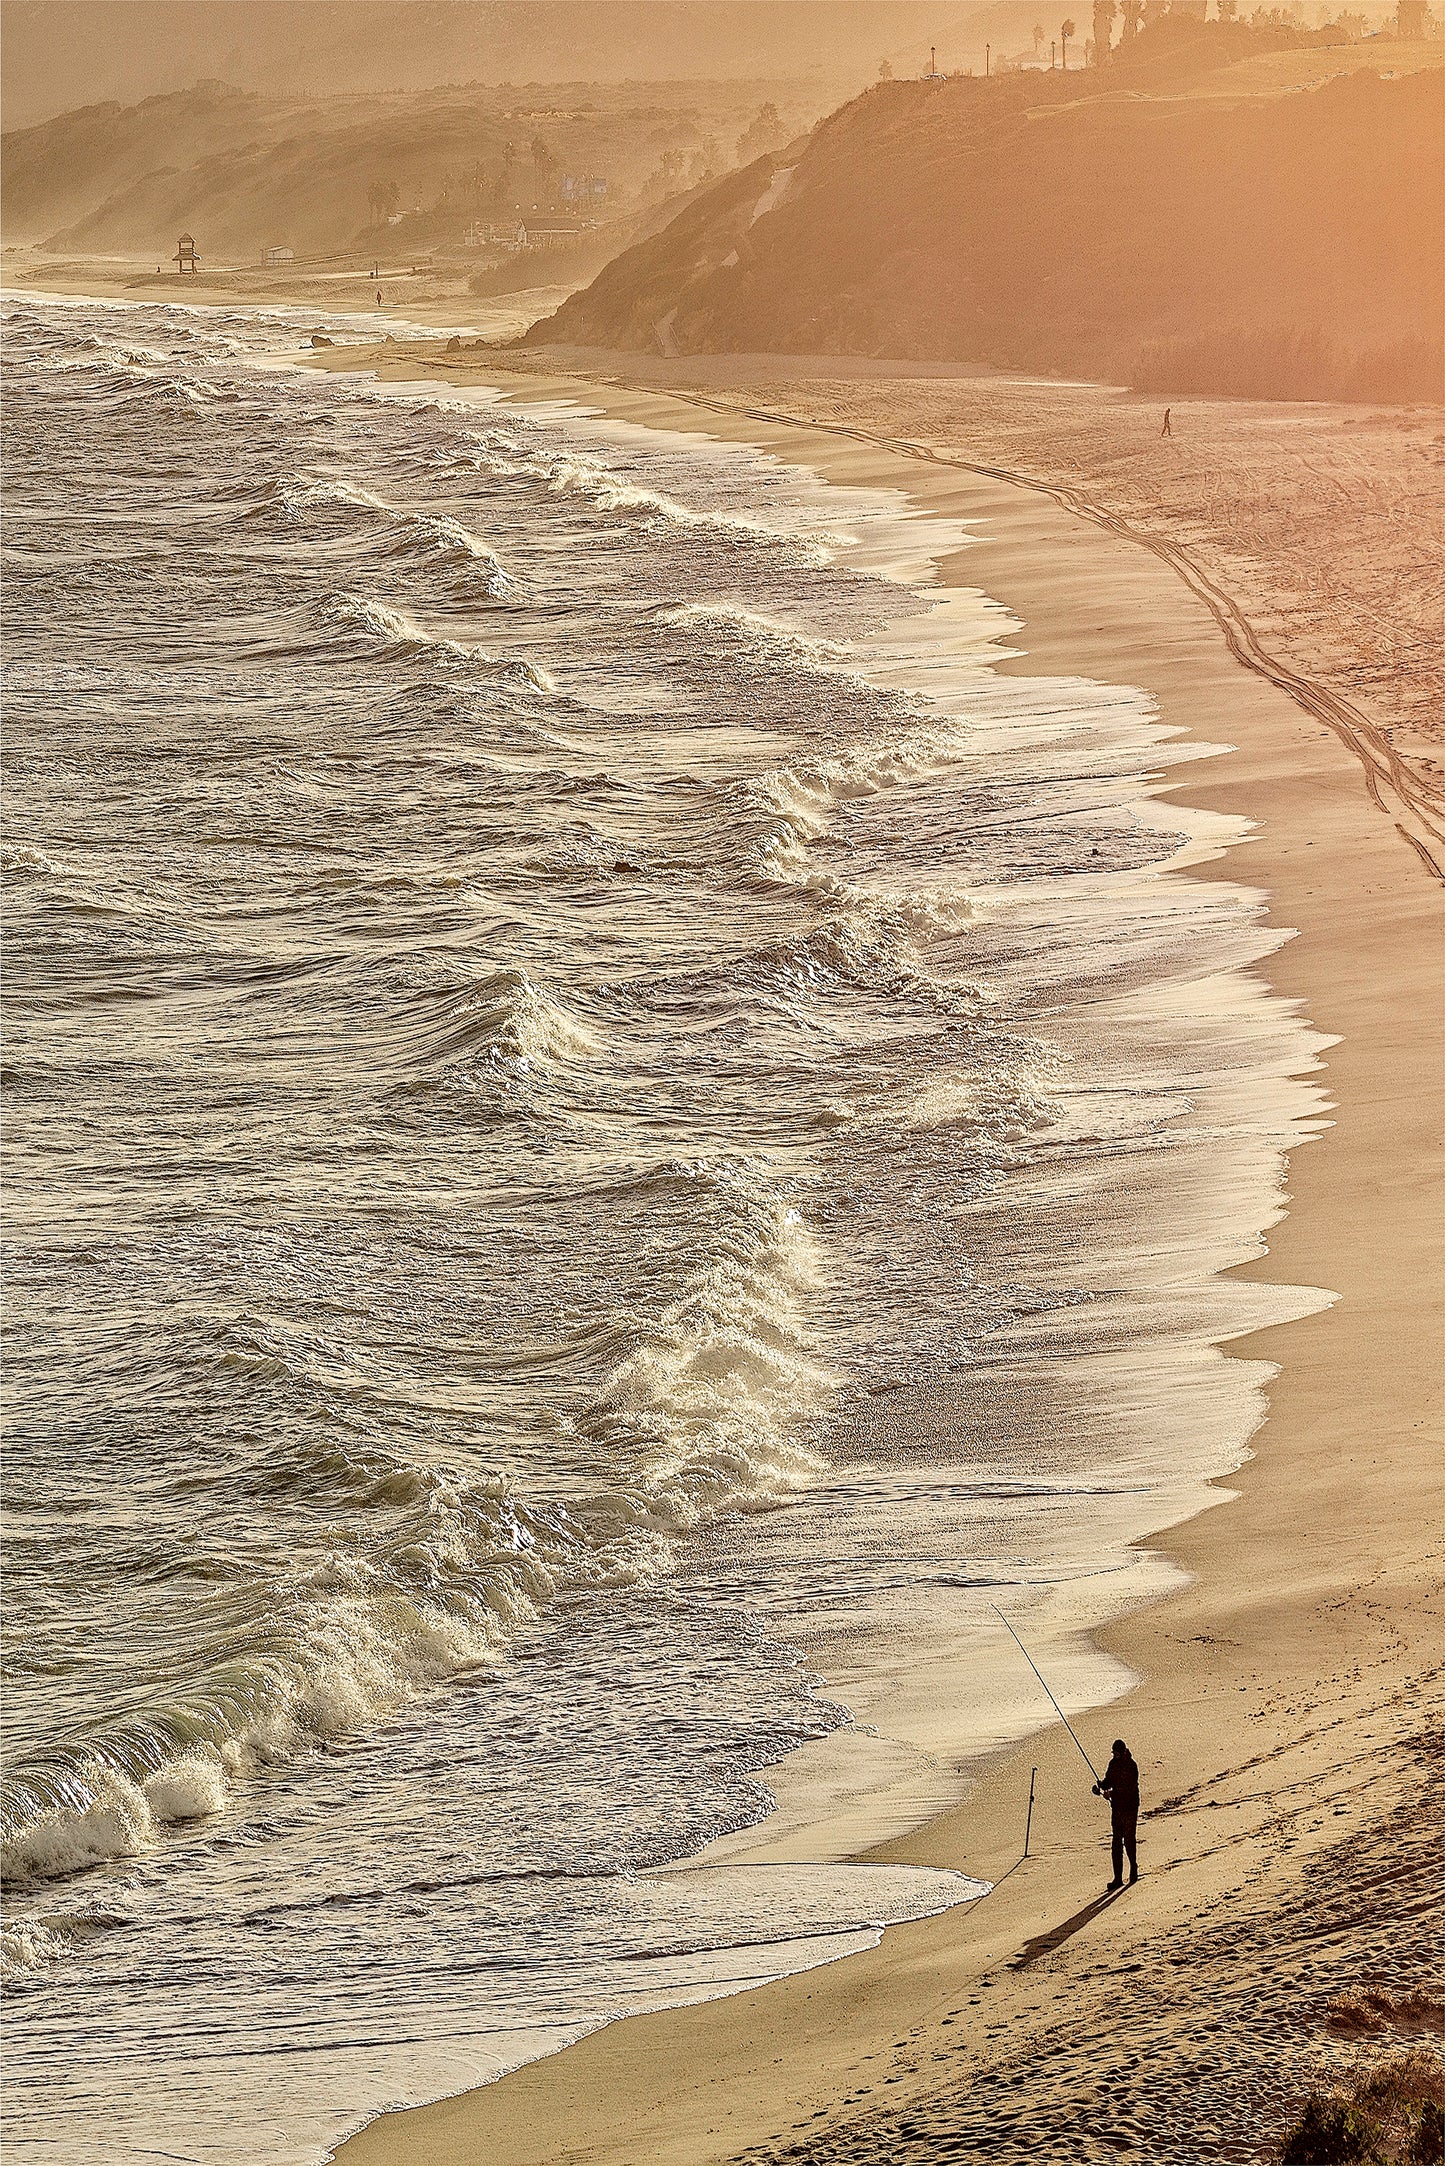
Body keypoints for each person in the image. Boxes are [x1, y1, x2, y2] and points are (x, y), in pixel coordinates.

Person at [1094, 1738, 1139, 1889]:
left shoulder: (1131, 1766)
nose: (1115, 1755)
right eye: (1113, 1753)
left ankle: (1133, 1869)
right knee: (1116, 1843)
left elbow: (1129, 1788)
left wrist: (1111, 1794)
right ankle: (1118, 1878)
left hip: (1130, 1807)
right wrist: (1101, 1786)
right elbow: (1108, 1781)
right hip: (1117, 1808)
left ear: (1123, 1751)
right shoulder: (1112, 1764)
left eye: (1117, 1753)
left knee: (1129, 1840)